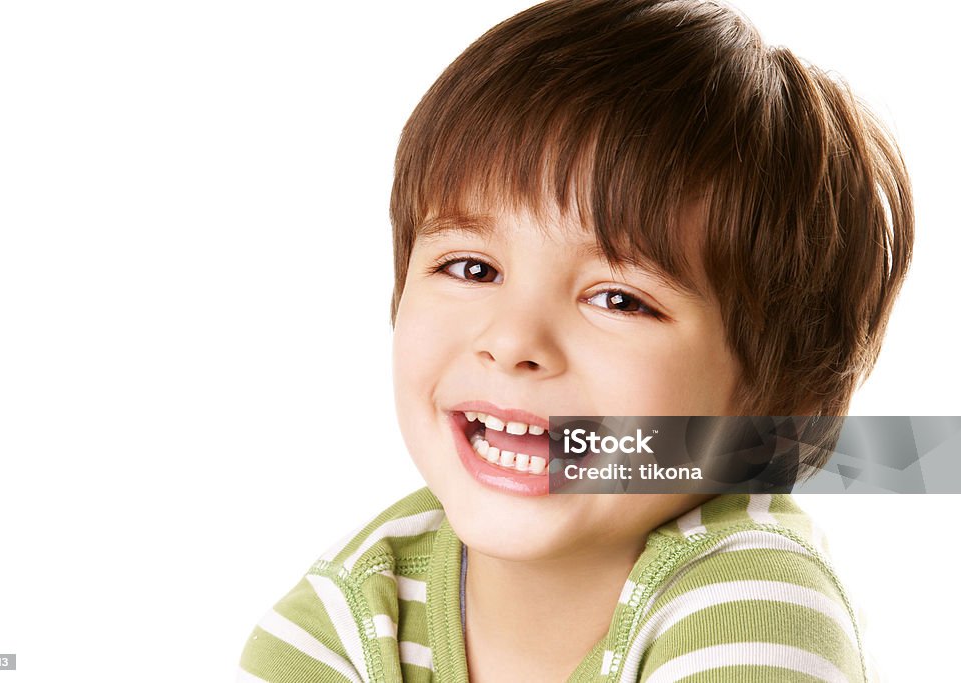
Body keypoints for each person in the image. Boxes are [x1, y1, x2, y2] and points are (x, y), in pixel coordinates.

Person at [238, 0, 912, 680]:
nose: (511, 340)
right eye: (472, 267)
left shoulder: (756, 603)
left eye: (619, 299)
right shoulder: (352, 610)